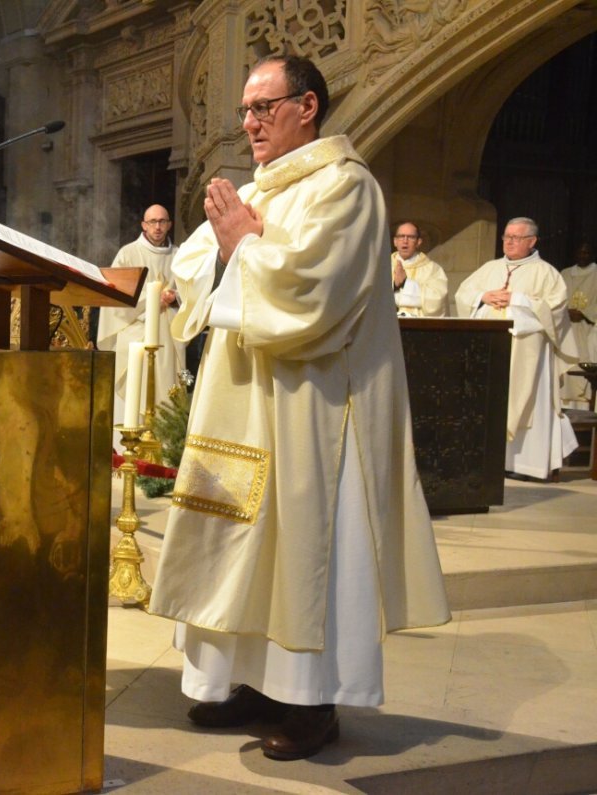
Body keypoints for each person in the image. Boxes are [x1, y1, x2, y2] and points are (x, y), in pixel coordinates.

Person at [148, 55, 450, 761]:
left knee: (305, 552)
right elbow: (195, 266)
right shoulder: (264, 188)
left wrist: (243, 244)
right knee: (242, 550)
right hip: (244, 406)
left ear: (307, 106)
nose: (248, 123)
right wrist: (221, 255)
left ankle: (312, 703)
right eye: (246, 111)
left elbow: (313, 295)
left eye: (263, 107)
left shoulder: (344, 189)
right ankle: (250, 684)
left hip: (313, 412)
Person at [455, 218, 578, 479]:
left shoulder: (547, 273)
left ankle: (526, 465)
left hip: (529, 352)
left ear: (532, 241)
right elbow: (462, 294)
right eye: (506, 237)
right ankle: (492, 461)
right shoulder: (490, 268)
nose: (509, 242)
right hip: (491, 349)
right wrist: (483, 297)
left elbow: (555, 309)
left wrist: (517, 299)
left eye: (516, 237)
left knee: (529, 402)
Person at [97, 205, 185, 424]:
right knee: (135, 389)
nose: (157, 227)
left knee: (167, 391)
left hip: (168, 335)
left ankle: (164, 450)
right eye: (153, 222)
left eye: (162, 221)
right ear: (144, 225)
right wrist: (153, 298)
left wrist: (176, 296)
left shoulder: (180, 256)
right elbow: (116, 294)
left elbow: (192, 291)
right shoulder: (128, 254)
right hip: (136, 334)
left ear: (170, 225)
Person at [561, 241, 597, 407]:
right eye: (580, 252)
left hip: (590, 329)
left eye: (587, 253)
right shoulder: (565, 274)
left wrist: (585, 313)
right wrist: (565, 312)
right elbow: (556, 299)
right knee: (567, 370)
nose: (583, 256)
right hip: (567, 329)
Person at [391, 221, 449, 317]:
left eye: (411, 237)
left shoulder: (433, 269)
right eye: (401, 236)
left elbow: (438, 300)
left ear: (418, 242)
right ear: (395, 241)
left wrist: (405, 283)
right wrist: (395, 286)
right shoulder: (383, 267)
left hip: (418, 326)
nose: (405, 241)